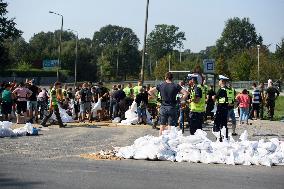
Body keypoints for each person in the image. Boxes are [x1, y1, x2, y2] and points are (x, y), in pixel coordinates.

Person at [213, 75, 229, 141]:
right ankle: (225, 138)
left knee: (217, 124)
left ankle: (219, 138)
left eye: (219, 81)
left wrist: (213, 97)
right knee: (224, 124)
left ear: (222, 81)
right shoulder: (228, 89)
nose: (218, 82)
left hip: (220, 109)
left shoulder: (221, 90)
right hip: (226, 109)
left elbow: (215, 98)